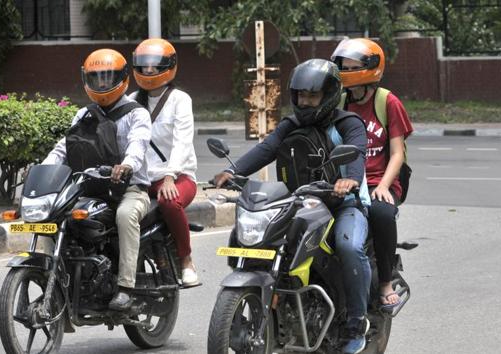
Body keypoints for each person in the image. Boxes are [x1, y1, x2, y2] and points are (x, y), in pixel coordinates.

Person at [214, 59, 372, 354]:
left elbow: (356, 155)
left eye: (312, 96)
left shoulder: (348, 124)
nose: (305, 102)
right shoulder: (291, 125)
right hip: (300, 202)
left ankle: (355, 322)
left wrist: (349, 181)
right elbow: (266, 149)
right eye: (300, 96)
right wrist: (235, 173)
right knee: (271, 245)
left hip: (344, 204)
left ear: (329, 96)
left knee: (348, 247)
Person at [42, 48, 152, 311]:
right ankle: (53, 280)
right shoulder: (84, 115)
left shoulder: (137, 114)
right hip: (90, 187)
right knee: (50, 217)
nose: (102, 83)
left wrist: (126, 166)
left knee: (126, 216)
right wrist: (42, 169)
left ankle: (126, 286)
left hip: (130, 188)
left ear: (122, 78)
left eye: (107, 77)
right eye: (96, 78)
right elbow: (63, 148)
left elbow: (138, 144)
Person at [331, 38, 414, 310]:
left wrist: (385, 186)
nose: (346, 70)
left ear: (370, 68)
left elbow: (398, 153)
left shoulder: (387, 101)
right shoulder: (339, 101)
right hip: (345, 180)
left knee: (381, 213)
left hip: (381, 180)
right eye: (343, 66)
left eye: (353, 66)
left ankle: (386, 282)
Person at [129, 38, 200, 286]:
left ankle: (186, 260)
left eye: (155, 66)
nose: (149, 71)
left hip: (178, 177)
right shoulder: (131, 101)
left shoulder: (180, 99)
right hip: (140, 178)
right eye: (144, 66)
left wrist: (170, 175)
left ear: (168, 67)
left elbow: (182, 140)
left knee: (169, 201)